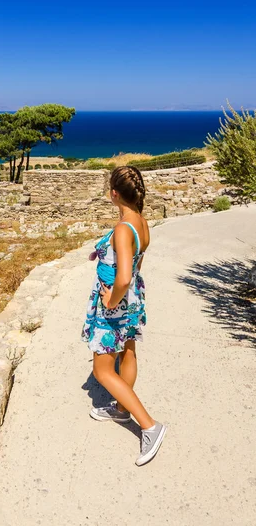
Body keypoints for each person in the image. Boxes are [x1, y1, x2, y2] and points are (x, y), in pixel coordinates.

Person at [81, 165, 167, 466]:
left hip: (115, 302)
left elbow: (124, 276)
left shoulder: (122, 229)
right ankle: (120, 409)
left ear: (114, 194)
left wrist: (109, 300)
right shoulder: (141, 223)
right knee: (128, 353)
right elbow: (136, 267)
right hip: (132, 302)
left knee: (103, 369)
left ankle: (149, 426)